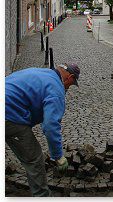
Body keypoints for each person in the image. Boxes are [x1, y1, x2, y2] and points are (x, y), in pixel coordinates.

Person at [5, 63, 80, 197]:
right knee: (34, 158)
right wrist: (58, 156)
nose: (68, 88)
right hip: (9, 114)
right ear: (70, 77)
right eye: (70, 85)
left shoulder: (44, 73)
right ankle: (42, 196)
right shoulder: (56, 90)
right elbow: (50, 126)